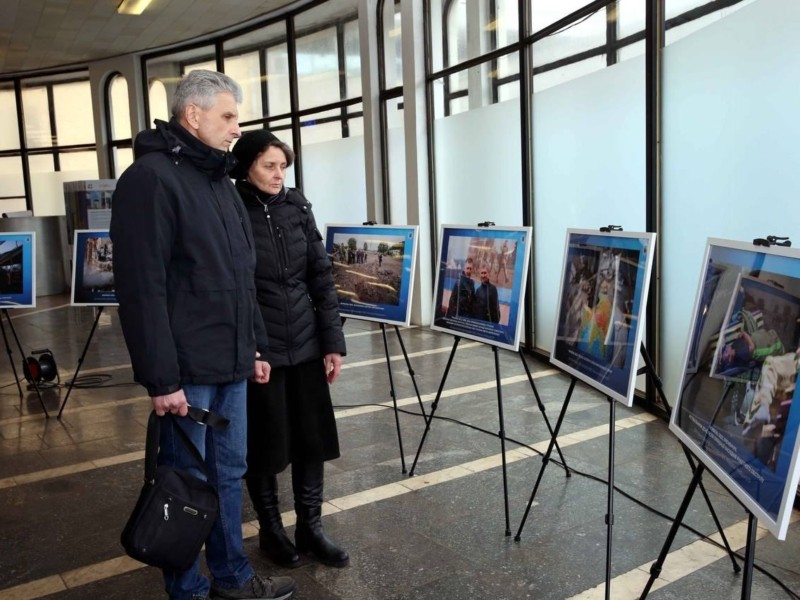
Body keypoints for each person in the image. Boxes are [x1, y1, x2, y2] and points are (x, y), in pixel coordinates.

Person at [110, 70, 296, 600]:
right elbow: (141, 289)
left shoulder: (217, 179)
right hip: (187, 374)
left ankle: (233, 578)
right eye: (229, 116)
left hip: (232, 362)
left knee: (227, 472)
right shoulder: (149, 179)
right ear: (193, 116)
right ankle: (188, 590)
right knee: (184, 484)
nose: (238, 128)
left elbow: (241, 274)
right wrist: (161, 379)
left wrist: (255, 345)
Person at [230, 130, 350, 570]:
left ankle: (311, 528)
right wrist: (253, 350)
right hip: (261, 349)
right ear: (247, 166)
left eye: (283, 165)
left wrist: (332, 342)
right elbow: (236, 289)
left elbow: (321, 276)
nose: (279, 174)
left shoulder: (297, 207)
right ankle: (271, 531)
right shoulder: (232, 209)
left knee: (311, 440)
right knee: (264, 444)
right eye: (269, 165)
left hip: (305, 343)